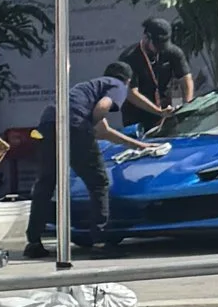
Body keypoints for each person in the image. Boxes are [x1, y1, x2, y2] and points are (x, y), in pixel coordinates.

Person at [23, 73, 150, 257]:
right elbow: (103, 107)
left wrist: (139, 145)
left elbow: (104, 131)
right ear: (128, 80)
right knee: (98, 183)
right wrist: (86, 127)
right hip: (74, 124)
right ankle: (100, 242)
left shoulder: (85, 90)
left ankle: (33, 242)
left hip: (48, 123)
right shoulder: (117, 85)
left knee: (45, 184)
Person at [118, 19, 191, 133]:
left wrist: (187, 106)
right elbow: (131, 93)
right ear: (146, 37)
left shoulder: (173, 52)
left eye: (164, 44)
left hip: (165, 111)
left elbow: (186, 79)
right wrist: (158, 111)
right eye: (157, 44)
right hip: (137, 115)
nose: (161, 48)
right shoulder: (129, 58)